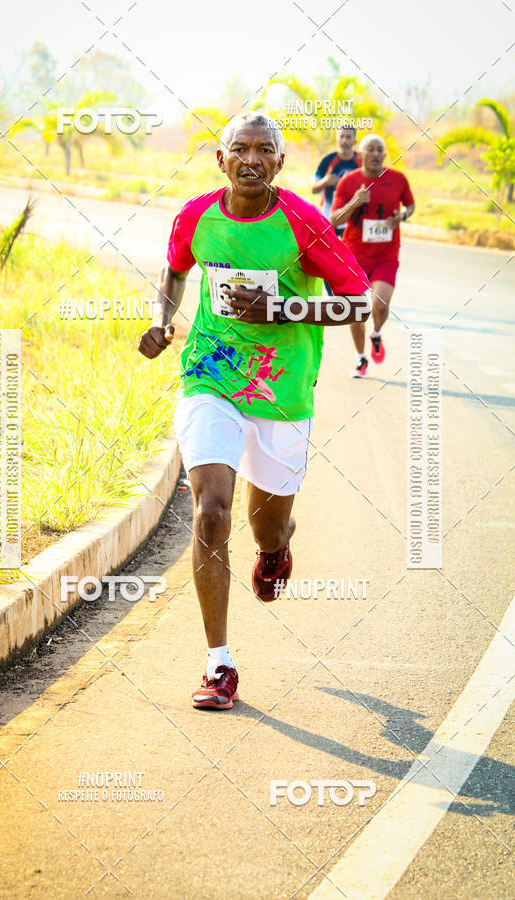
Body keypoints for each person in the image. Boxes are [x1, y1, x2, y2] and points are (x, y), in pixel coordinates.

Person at [138, 112, 370, 710]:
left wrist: (280, 313)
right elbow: (175, 268)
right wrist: (162, 320)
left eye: (264, 150)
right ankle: (219, 666)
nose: (250, 159)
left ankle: (276, 546)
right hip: (209, 374)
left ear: (279, 163)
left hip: (282, 393)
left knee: (265, 525)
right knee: (211, 513)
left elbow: (356, 305)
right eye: (238, 148)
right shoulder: (196, 215)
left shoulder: (303, 222)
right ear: (220, 160)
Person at [331, 134, 415, 378]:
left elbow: (410, 205)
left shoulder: (398, 179)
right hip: (354, 255)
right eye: (371, 150)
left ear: (385, 155)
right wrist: (354, 203)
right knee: (356, 310)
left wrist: (402, 217)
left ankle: (376, 333)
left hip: (386, 254)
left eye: (380, 150)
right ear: (361, 155)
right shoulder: (349, 182)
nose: (376, 154)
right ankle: (361, 357)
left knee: (380, 304)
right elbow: (334, 219)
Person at [311, 126, 360, 236]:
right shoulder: (328, 160)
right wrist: (325, 181)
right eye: (341, 137)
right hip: (329, 219)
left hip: (353, 220)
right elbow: (313, 188)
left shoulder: (361, 160)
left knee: (350, 253)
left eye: (348, 137)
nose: (344, 140)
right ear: (336, 140)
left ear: (354, 141)